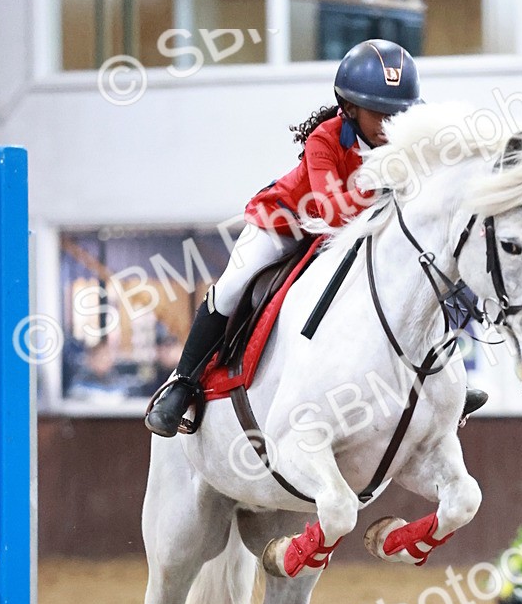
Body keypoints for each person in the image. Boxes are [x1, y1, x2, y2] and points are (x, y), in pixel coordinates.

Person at [145, 39, 487, 437]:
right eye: (380, 113)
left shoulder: (410, 141)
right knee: (234, 284)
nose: (391, 125)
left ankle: (445, 375)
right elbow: (332, 212)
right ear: (351, 108)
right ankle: (183, 384)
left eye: (400, 113)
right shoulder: (324, 140)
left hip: (358, 235)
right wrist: (384, 180)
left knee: (434, 273)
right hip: (288, 222)